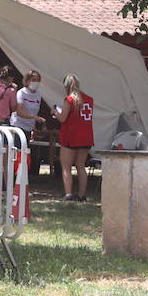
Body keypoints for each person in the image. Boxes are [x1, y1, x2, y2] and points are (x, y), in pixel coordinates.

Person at [55, 73, 96, 202]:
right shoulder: (89, 99)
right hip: (86, 136)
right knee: (80, 165)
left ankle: (68, 194)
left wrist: (55, 112)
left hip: (71, 136)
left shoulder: (69, 100)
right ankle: (82, 195)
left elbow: (63, 118)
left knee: (66, 166)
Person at [10, 70, 45, 136]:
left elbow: (35, 111)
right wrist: (35, 117)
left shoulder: (38, 95)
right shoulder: (21, 93)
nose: (36, 82)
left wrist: (34, 128)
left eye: (38, 80)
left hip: (29, 128)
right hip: (18, 126)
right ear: (27, 80)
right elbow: (19, 112)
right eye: (33, 80)